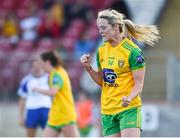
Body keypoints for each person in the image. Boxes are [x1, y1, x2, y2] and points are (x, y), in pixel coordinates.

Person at [80, 9, 159, 137]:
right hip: (108, 110)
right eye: (99, 28)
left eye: (103, 28)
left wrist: (129, 97)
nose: (100, 31)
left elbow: (139, 85)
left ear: (115, 27)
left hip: (128, 109)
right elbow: (102, 81)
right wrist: (88, 68)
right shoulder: (101, 51)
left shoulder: (133, 52)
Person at [33, 51, 79, 137]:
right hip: (54, 116)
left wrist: (37, 89)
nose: (40, 65)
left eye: (41, 63)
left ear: (47, 62)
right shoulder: (52, 74)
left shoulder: (58, 74)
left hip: (66, 116)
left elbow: (53, 92)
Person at [18, 57, 51, 137]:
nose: (37, 68)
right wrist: (21, 117)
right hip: (32, 110)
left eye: (39, 65)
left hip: (46, 110)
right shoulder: (26, 80)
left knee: (50, 135)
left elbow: (55, 95)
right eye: (35, 66)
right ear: (32, 67)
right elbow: (22, 99)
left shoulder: (50, 78)